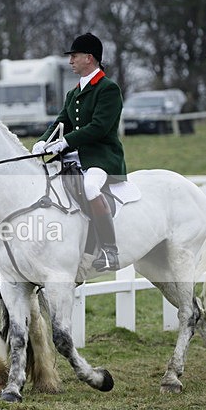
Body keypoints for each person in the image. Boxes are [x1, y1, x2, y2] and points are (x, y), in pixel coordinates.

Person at [32, 32, 127, 271]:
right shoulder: (73, 93)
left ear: (89, 58)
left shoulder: (108, 89)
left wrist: (65, 143)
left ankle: (109, 250)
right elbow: (60, 121)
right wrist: (43, 141)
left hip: (102, 157)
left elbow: (99, 127)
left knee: (90, 187)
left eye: (74, 56)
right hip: (76, 156)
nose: (70, 60)